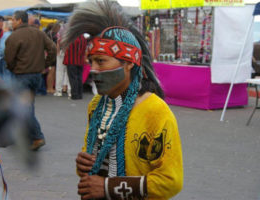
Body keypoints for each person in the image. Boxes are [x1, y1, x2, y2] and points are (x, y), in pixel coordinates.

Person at [62, 1, 183, 199]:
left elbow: (171, 181)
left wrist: (109, 187)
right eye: (91, 62)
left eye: (101, 61)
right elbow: (93, 157)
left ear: (128, 63)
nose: (93, 70)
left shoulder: (156, 111)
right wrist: (84, 165)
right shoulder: (97, 105)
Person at [5, 11, 56, 151]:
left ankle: (37, 136)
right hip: (36, 75)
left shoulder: (14, 36)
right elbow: (52, 48)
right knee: (28, 106)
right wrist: (45, 64)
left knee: (24, 108)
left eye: (13, 20)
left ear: (19, 21)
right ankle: (27, 137)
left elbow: (9, 58)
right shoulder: (38, 33)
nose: (12, 22)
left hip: (22, 75)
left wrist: (12, 68)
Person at [63, 34, 87, 100]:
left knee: (73, 78)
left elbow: (66, 48)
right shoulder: (83, 38)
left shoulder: (71, 38)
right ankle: (80, 94)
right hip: (80, 60)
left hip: (71, 60)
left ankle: (74, 94)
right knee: (79, 78)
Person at [54, 23, 71, 97]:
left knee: (60, 71)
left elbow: (58, 41)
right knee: (69, 72)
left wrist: (57, 52)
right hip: (70, 53)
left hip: (62, 52)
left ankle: (58, 90)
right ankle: (69, 90)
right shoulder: (74, 30)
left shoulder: (62, 29)